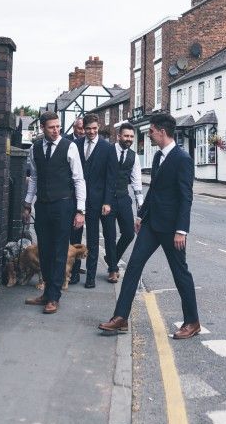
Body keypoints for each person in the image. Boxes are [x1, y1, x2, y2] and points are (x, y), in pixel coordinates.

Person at [98, 113, 200, 339]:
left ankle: (192, 321)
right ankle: (121, 317)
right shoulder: (157, 157)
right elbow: (154, 190)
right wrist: (141, 215)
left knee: (180, 273)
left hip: (172, 229)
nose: (149, 135)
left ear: (162, 132)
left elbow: (186, 197)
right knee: (133, 266)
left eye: (151, 131)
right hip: (151, 225)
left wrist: (181, 230)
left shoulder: (182, 159)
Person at [22, 111, 85, 314]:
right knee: (45, 252)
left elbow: (78, 180)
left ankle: (54, 297)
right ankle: (47, 293)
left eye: (58, 126)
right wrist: (27, 204)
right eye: (52, 127)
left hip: (63, 206)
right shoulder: (35, 148)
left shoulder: (70, 147)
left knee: (59, 252)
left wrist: (80, 210)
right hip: (43, 206)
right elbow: (34, 179)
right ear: (42, 128)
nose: (56, 130)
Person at [72, 113, 118, 288]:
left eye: (94, 129)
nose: (91, 132)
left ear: (98, 128)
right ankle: (75, 273)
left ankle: (90, 277)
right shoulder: (75, 145)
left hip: (97, 202)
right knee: (75, 238)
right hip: (77, 200)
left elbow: (111, 178)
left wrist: (107, 201)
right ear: (83, 128)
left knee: (92, 240)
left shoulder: (108, 148)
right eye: (88, 129)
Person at [106, 122, 144, 283]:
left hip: (123, 199)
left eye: (131, 137)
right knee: (110, 235)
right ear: (118, 136)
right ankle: (113, 269)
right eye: (126, 136)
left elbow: (137, 182)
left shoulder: (133, 156)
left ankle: (111, 257)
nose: (129, 139)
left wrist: (140, 207)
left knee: (129, 233)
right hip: (107, 200)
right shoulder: (108, 151)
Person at [67, 116, 86, 277]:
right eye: (80, 128)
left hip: (80, 195)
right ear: (74, 128)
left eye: (83, 129)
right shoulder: (66, 142)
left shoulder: (87, 143)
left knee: (76, 234)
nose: (82, 132)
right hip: (66, 195)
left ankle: (75, 269)